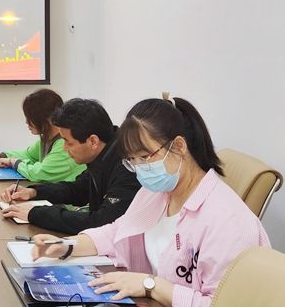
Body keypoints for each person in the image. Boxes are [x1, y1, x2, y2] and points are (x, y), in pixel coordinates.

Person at [31, 95, 270, 307]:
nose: (139, 168)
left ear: (179, 146)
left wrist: (151, 285)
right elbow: (118, 231)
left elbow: (221, 302)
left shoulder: (227, 221)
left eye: (145, 157)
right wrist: (68, 245)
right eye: (132, 160)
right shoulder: (156, 193)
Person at [0, 98, 140, 234]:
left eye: (69, 142)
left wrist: (35, 214)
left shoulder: (128, 166)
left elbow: (101, 222)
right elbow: (78, 189)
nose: (65, 148)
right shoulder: (104, 154)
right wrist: (34, 192)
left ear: (93, 141)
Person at [0, 89, 85, 182]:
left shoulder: (64, 144)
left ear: (47, 119)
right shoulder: (48, 138)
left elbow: (39, 174)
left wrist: (13, 162)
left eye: (30, 118)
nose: (26, 122)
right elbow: (28, 155)